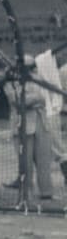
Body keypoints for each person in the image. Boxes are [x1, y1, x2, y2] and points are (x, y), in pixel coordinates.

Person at [3, 55, 54, 199]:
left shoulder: (39, 78)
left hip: (41, 121)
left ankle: (46, 192)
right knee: (25, 161)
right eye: (28, 68)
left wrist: (33, 99)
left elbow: (46, 97)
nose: (31, 71)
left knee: (44, 158)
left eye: (32, 67)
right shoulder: (11, 82)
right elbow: (18, 102)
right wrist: (35, 99)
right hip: (22, 124)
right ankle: (27, 193)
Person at [35, 45, 67, 186]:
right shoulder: (52, 68)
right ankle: (22, 179)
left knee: (58, 147)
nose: (61, 56)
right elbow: (45, 57)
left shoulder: (59, 71)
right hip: (45, 110)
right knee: (30, 146)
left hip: (52, 111)